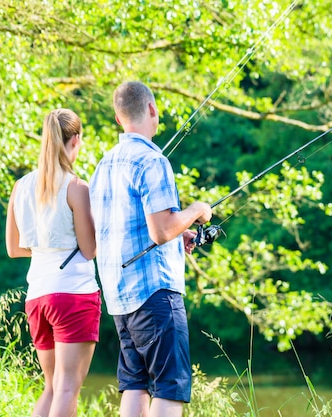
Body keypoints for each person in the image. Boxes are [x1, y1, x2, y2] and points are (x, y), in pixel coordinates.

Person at [89, 81, 212, 417]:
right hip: (155, 293)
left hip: (119, 297)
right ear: (152, 109)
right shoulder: (152, 160)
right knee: (170, 388)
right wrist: (196, 211)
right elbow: (160, 231)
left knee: (135, 384)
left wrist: (178, 231)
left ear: (118, 119)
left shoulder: (103, 166)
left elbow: (130, 228)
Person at [5, 108, 101, 417]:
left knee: (52, 387)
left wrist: (48, 248)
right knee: (67, 388)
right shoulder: (77, 187)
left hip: (37, 298)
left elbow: (14, 249)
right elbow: (90, 250)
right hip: (73, 295)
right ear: (76, 140)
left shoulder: (20, 187)